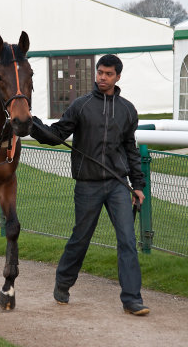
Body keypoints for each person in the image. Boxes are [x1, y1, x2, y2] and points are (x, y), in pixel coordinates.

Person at [30, 54, 150, 316]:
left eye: (108, 74)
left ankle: (132, 299)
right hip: (88, 185)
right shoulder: (80, 106)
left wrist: (137, 185)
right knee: (81, 238)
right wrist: (33, 125)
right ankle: (63, 282)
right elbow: (58, 133)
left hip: (118, 185)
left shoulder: (128, 110)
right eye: (100, 73)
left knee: (128, 240)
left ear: (118, 76)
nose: (102, 78)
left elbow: (130, 149)